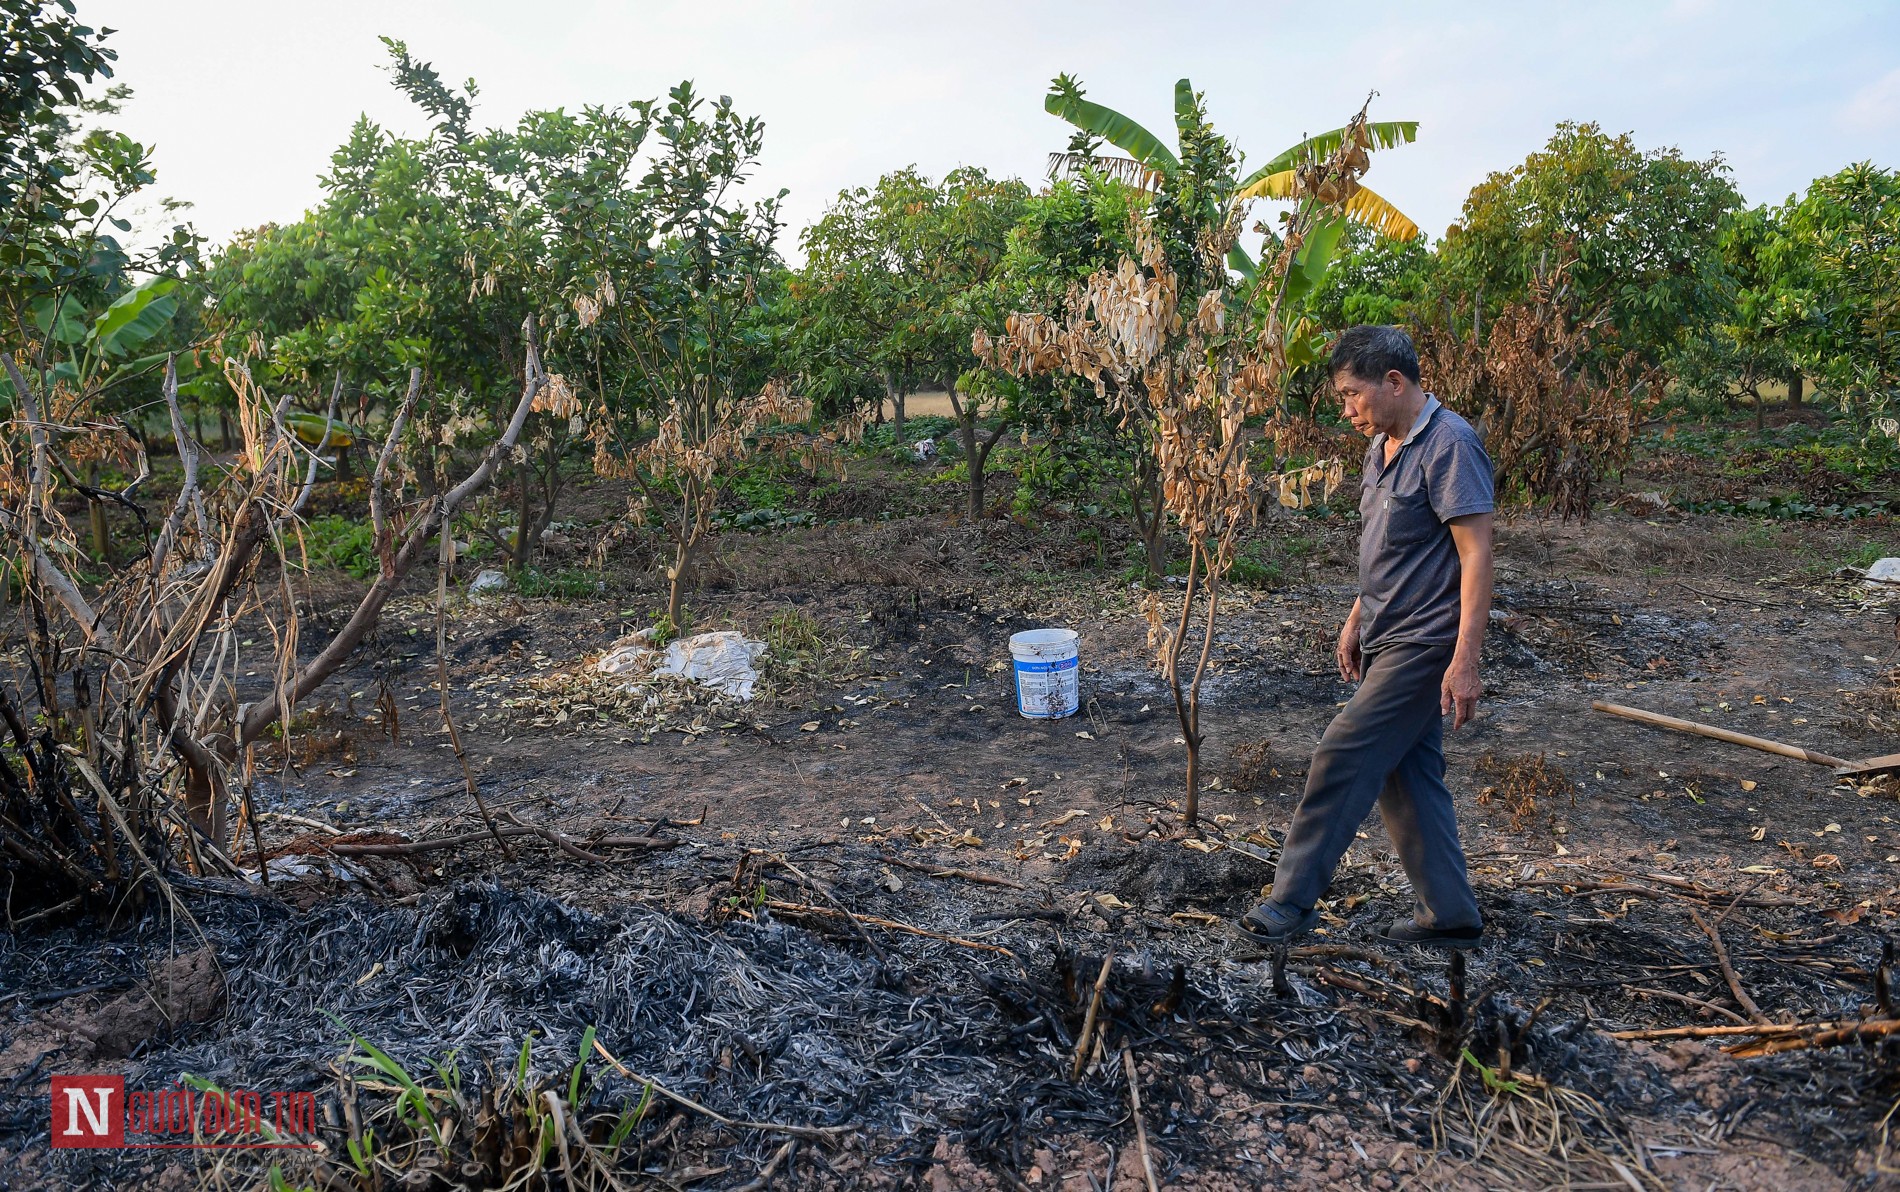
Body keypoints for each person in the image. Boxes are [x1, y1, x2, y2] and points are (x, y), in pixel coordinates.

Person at [1237, 325, 1494, 949]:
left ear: (1395, 382)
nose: (1347, 409)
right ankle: (1451, 916)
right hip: (1385, 632)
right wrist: (1357, 617)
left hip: (1425, 642)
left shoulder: (1449, 445)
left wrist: (1465, 660)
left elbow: (1477, 556)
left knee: (1343, 755)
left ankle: (1290, 903)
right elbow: (1390, 552)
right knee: (1409, 778)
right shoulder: (1381, 448)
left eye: (1355, 395)